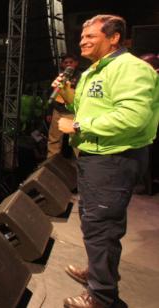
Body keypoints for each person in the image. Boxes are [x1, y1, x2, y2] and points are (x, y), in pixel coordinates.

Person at [54, 14, 159, 308]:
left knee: (102, 227)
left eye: (91, 37)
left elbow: (133, 117)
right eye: (82, 37)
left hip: (114, 159)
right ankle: (97, 271)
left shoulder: (131, 69)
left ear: (114, 38)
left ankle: (102, 297)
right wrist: (65, 91)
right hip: (95, 158)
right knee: (93, 222)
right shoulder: (91, 71)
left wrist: (77, 126)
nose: (83, 42)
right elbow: (81, 104)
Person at [47, 54, 80, 158]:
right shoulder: (60, 76)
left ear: (76, 63)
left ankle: (81, 163)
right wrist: (49, 112)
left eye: (71, 62)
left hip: (72, 112)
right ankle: (51, 161)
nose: (68, 64)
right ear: (62, 64)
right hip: (58, 110)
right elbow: (52, 95)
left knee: (76, 140)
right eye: (66, 63)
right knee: (54, 139)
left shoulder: (81, 76)